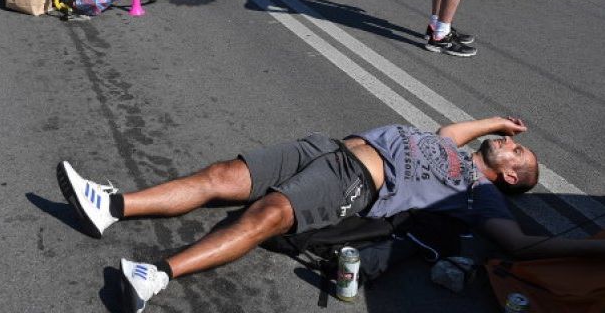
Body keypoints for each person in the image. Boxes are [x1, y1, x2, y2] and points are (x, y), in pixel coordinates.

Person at [58, 116, 605, 313]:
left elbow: (521, 245)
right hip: (327, 147)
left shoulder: (477, 193)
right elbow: (453, 131)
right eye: (512, 142)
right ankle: (111, 206)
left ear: (510, 178)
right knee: (222, 175)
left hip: (356, 179)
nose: (508, 144)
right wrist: (499, 123)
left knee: (267, 215)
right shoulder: (454, 149)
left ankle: (155, 276)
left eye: (516, 151)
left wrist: (597, 246)